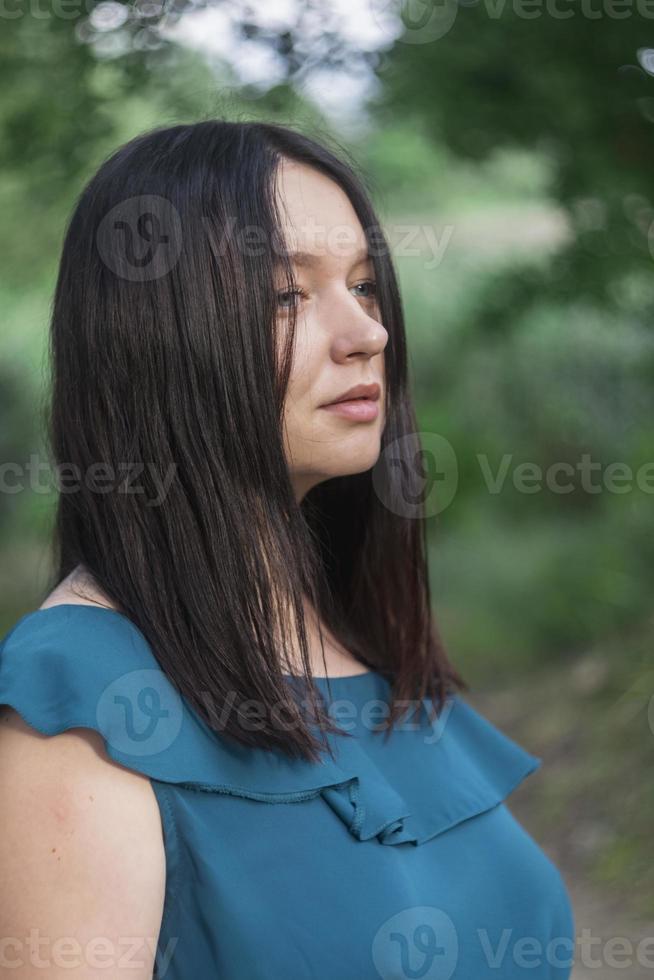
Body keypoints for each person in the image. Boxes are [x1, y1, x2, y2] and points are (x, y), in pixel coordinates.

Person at [0, 120, 575, 979]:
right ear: (155, 340)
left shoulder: (368, 650)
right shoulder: (80, 702)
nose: (368, 333)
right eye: (285, 295)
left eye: (366, 286)